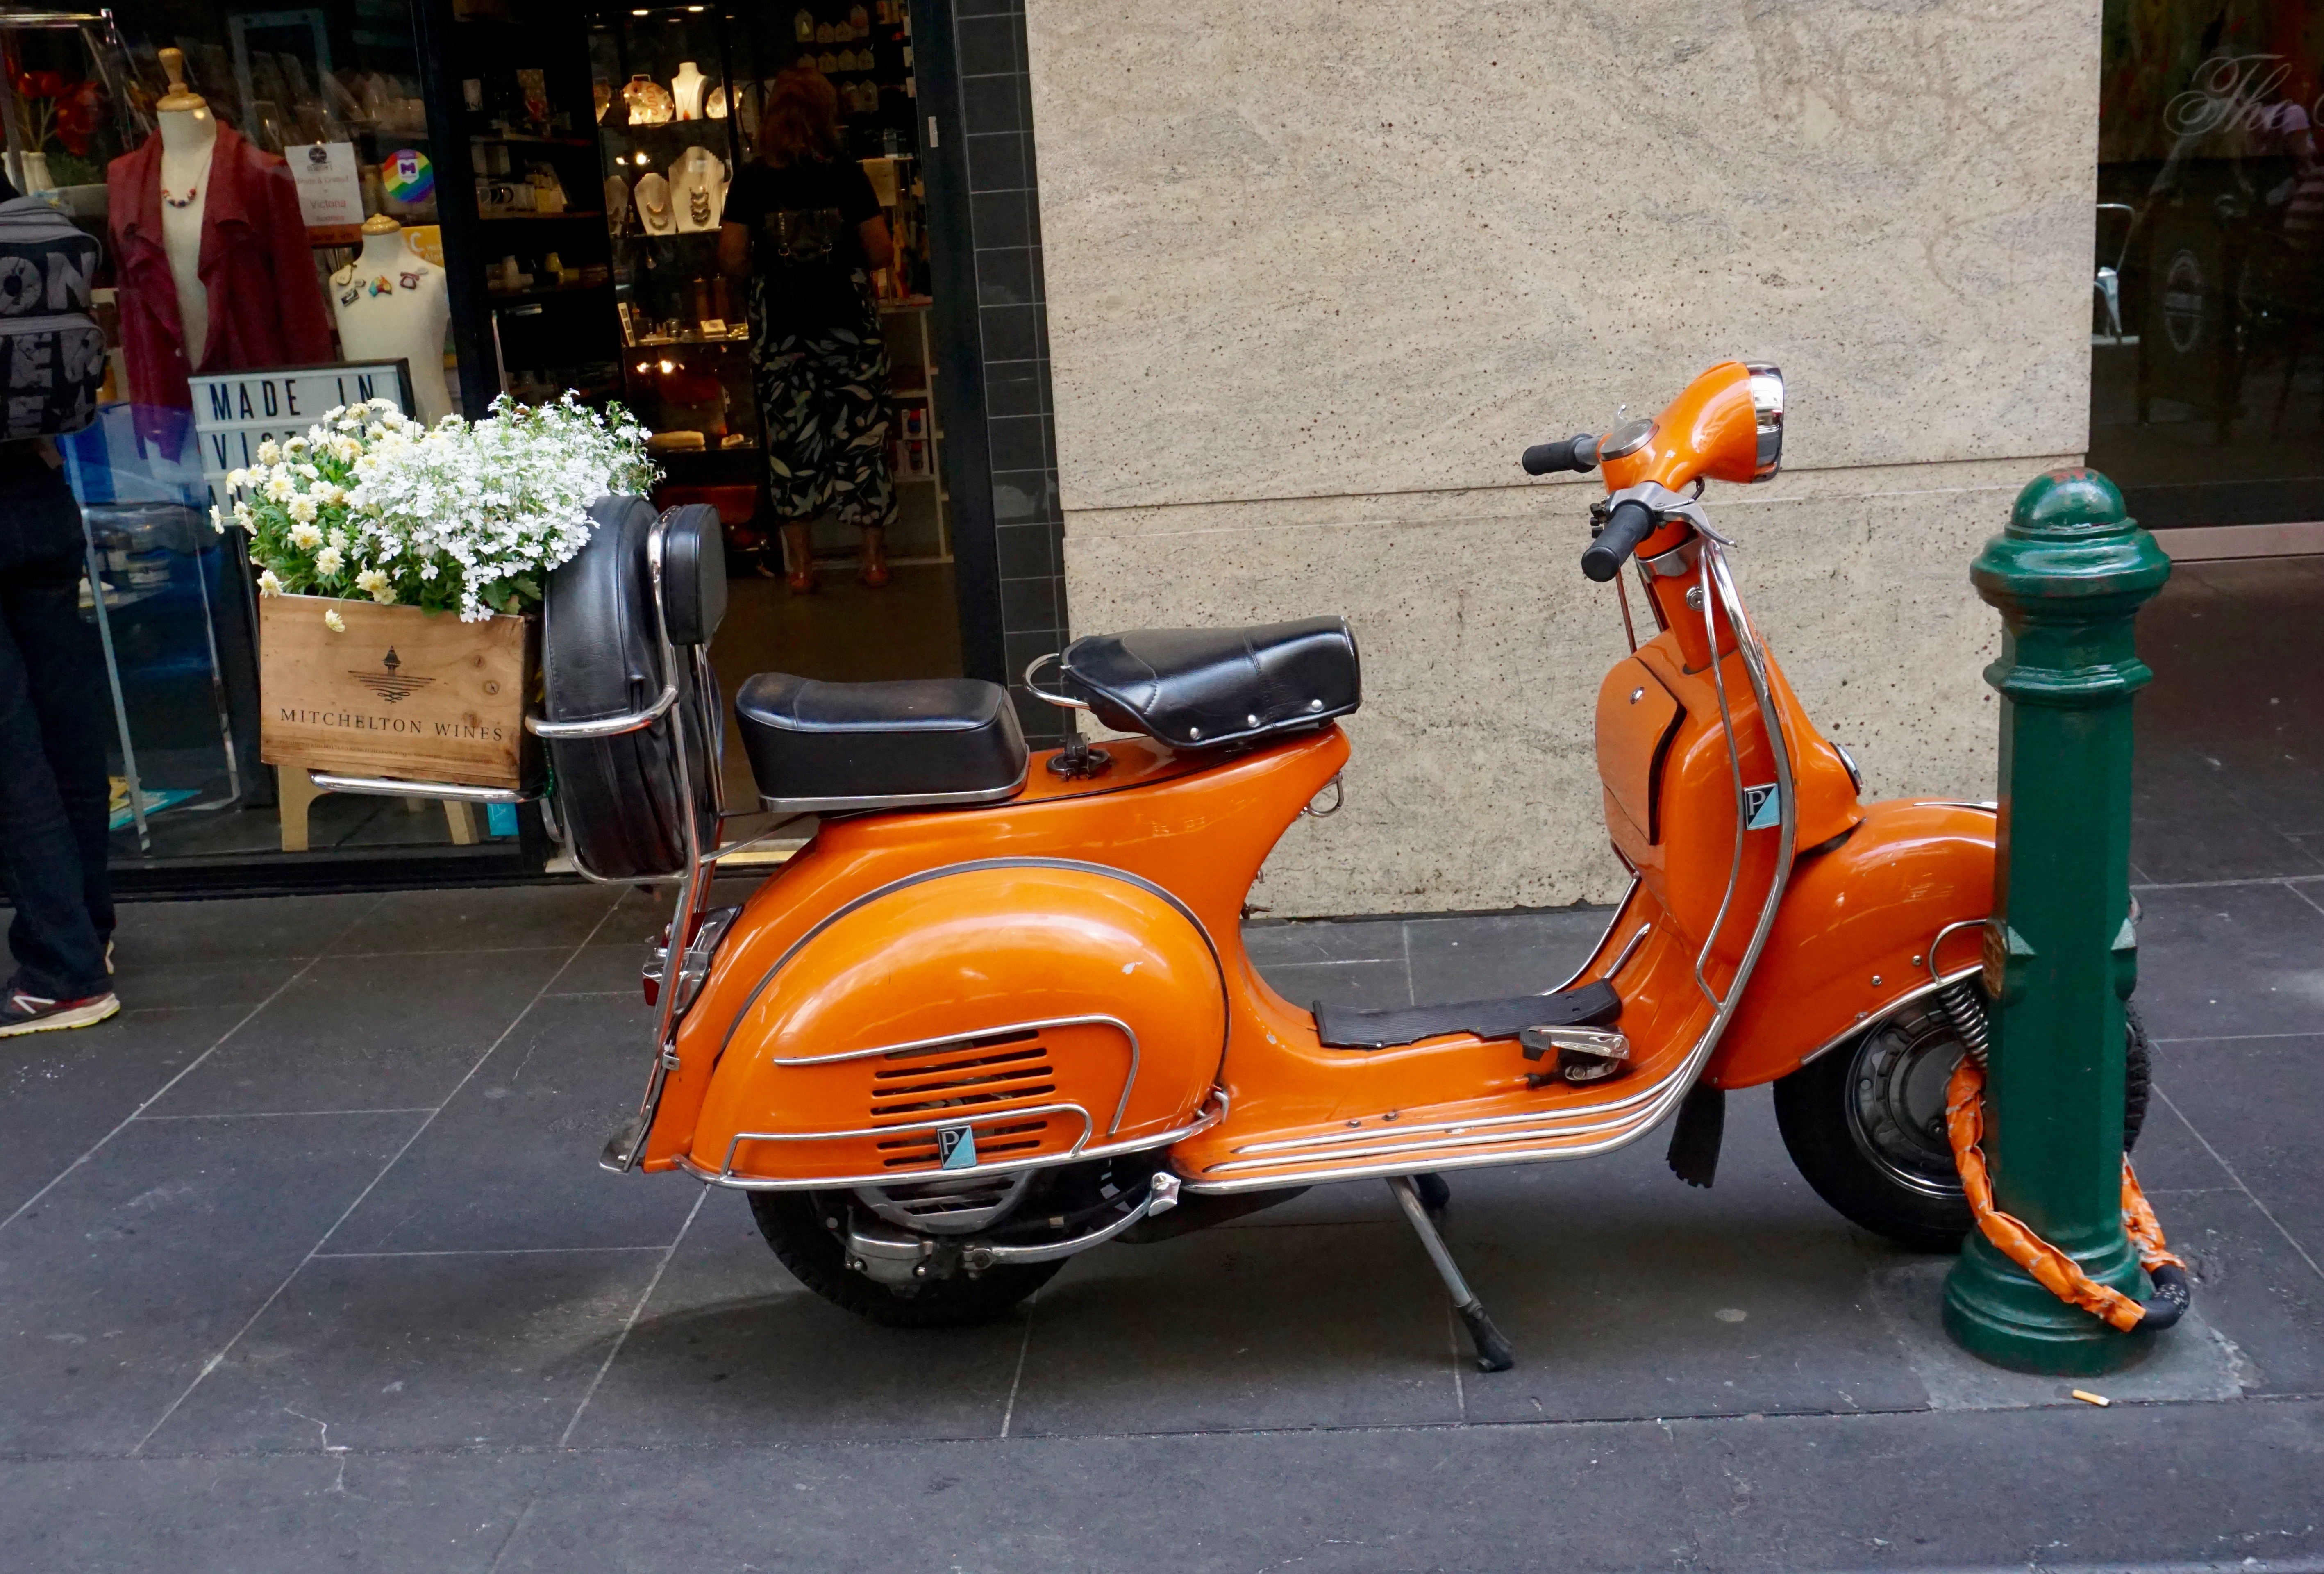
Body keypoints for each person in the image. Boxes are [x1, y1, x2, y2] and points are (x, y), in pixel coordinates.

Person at [718, 67, 898, 593]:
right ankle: (873, 562)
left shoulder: (751, 179)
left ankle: (801, 569)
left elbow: (730, 257)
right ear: (826, 115)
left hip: (782, 334)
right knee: (863, 436)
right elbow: (880, 252)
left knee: (791, 446)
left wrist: (769, 273)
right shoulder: (846, 174)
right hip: (850, 331)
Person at [0, 427, 119, 1037]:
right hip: (36, 484)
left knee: (11, 754)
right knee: (62, 727)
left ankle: (63, 971)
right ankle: (86, 933)